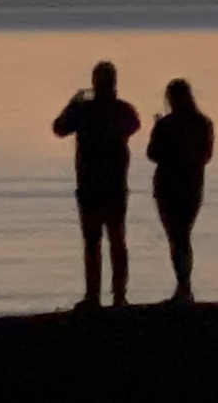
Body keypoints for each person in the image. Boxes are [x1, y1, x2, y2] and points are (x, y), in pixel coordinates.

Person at [52, 61, 142, 308]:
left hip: (91, 184)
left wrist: (72, 104)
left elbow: (59, 128)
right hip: (113, 184)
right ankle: (119, 296)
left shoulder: (83, 111)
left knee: (94, 242)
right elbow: (134, 125)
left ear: (95, 82)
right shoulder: (122, 110)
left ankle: (94, 296)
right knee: (116, 240)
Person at [146, 78, 215, 303]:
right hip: (193, 184)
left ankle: (183, 287)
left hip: (168, 185)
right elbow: (206, 156)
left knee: (176, 237)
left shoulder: (167, 125)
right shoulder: (203, 123)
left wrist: (157, 129)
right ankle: (184, 286)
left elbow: (153, 153)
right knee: (183, 234)